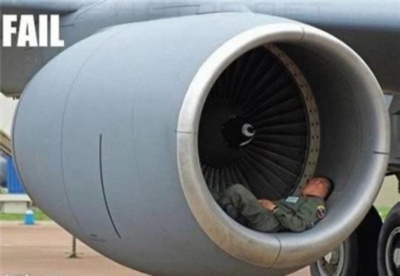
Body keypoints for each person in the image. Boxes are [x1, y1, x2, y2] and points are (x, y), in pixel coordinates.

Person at [213, 177, 333, 233]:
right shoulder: (302, 199)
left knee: (238, 191)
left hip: (271, 222)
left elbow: (298, 224)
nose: (304, 185)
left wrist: (273, 208)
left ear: (319, 183)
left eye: (308, 182)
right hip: (266, 215)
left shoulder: (315, 204)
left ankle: (214, 215)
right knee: (212, 194)